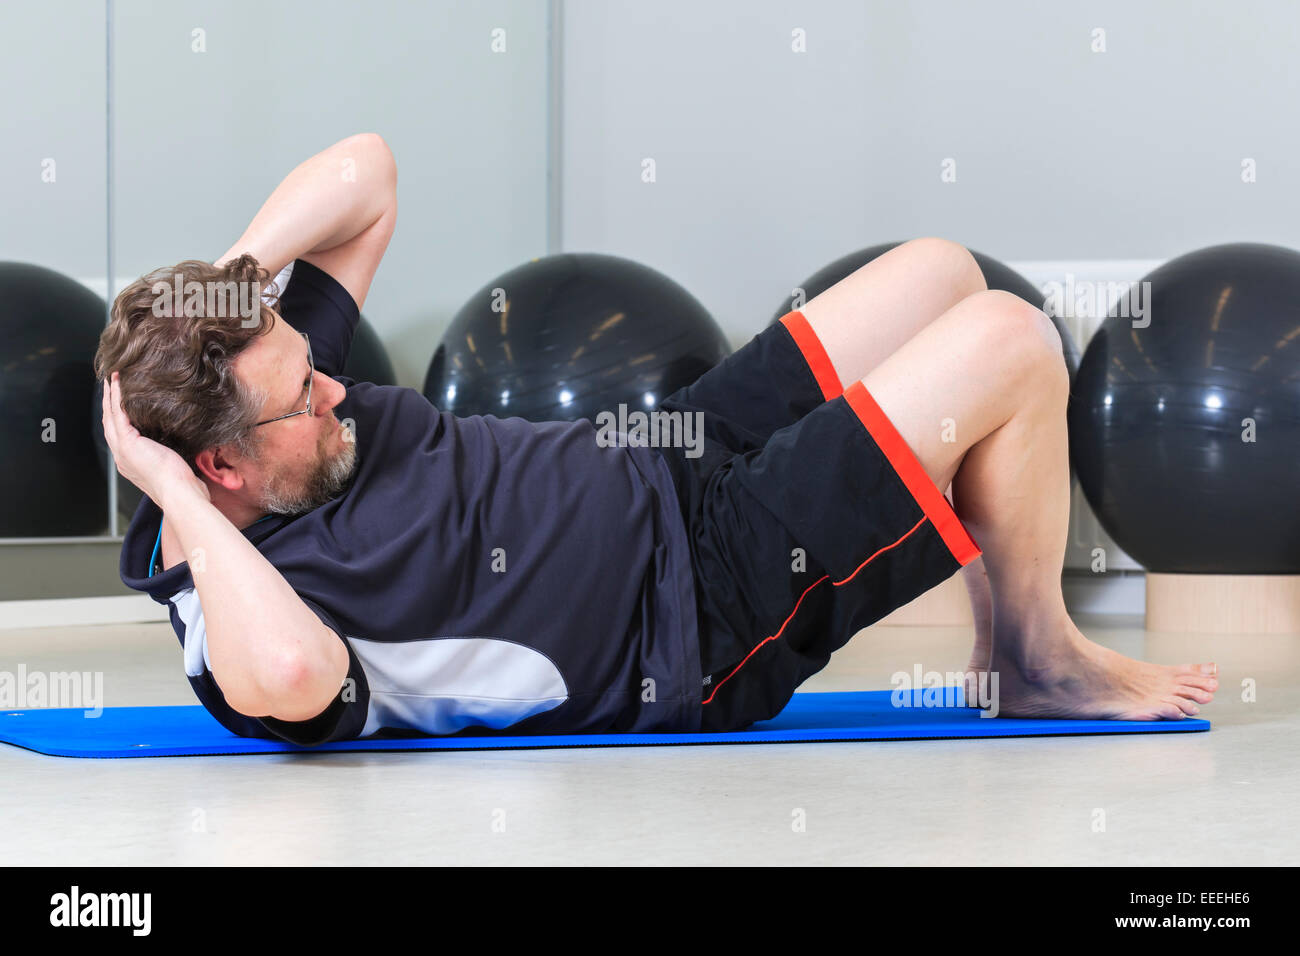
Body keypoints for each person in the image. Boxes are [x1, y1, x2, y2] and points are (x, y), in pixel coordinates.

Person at [97, 134, 1218, 746]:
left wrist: (230, 279)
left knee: (941, 271)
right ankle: (1036, 656)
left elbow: (368, 172)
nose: (339, 385)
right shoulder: (239, 625)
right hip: (697, 606)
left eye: (313, 363)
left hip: (660, 457)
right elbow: (294, 677)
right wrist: (171, 500)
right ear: (219, 469)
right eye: (306, 394)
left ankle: (1009, 648)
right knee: (1013, 339)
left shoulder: (277, 400)